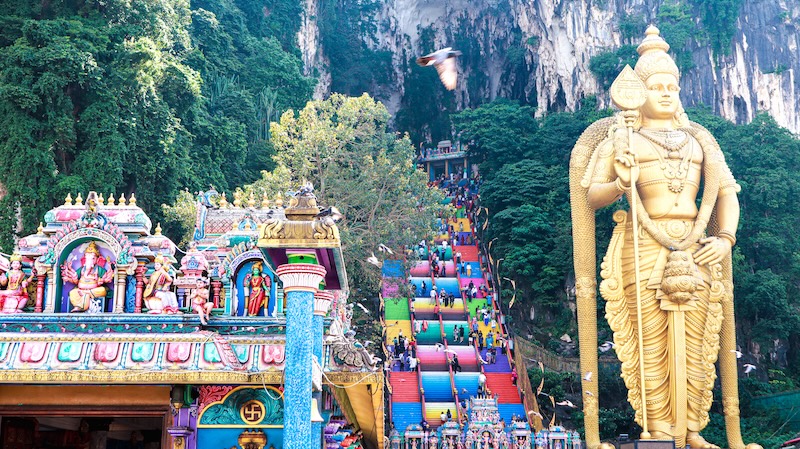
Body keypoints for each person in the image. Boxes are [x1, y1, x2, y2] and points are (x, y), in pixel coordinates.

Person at [573, 26, 752, 449]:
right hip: (642, 244)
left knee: (698, 342)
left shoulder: (700, 140)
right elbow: (592, 195)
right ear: (638, 92)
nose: (667, 93)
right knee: (647, 343)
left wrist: (725, 238)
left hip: (695, 247)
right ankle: (657, 432)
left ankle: (692, 430)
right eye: (656, 86)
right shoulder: (622, 139)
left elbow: (726, 193)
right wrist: (620, 179)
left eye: (673, 85)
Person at [61, 242, 114, 313]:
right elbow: (76, 281)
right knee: (72, 292)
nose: (89, 260)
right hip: (81, 290)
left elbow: (106, 279)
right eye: (87, 258)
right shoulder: (82, 269)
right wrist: (74, 278)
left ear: (97, 259)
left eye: (92, 258)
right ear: (85, 259)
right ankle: (79, 306)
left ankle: (86, 295)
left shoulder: (99, 270)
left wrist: (101, 280)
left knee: (102, 290)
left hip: (92, 290)